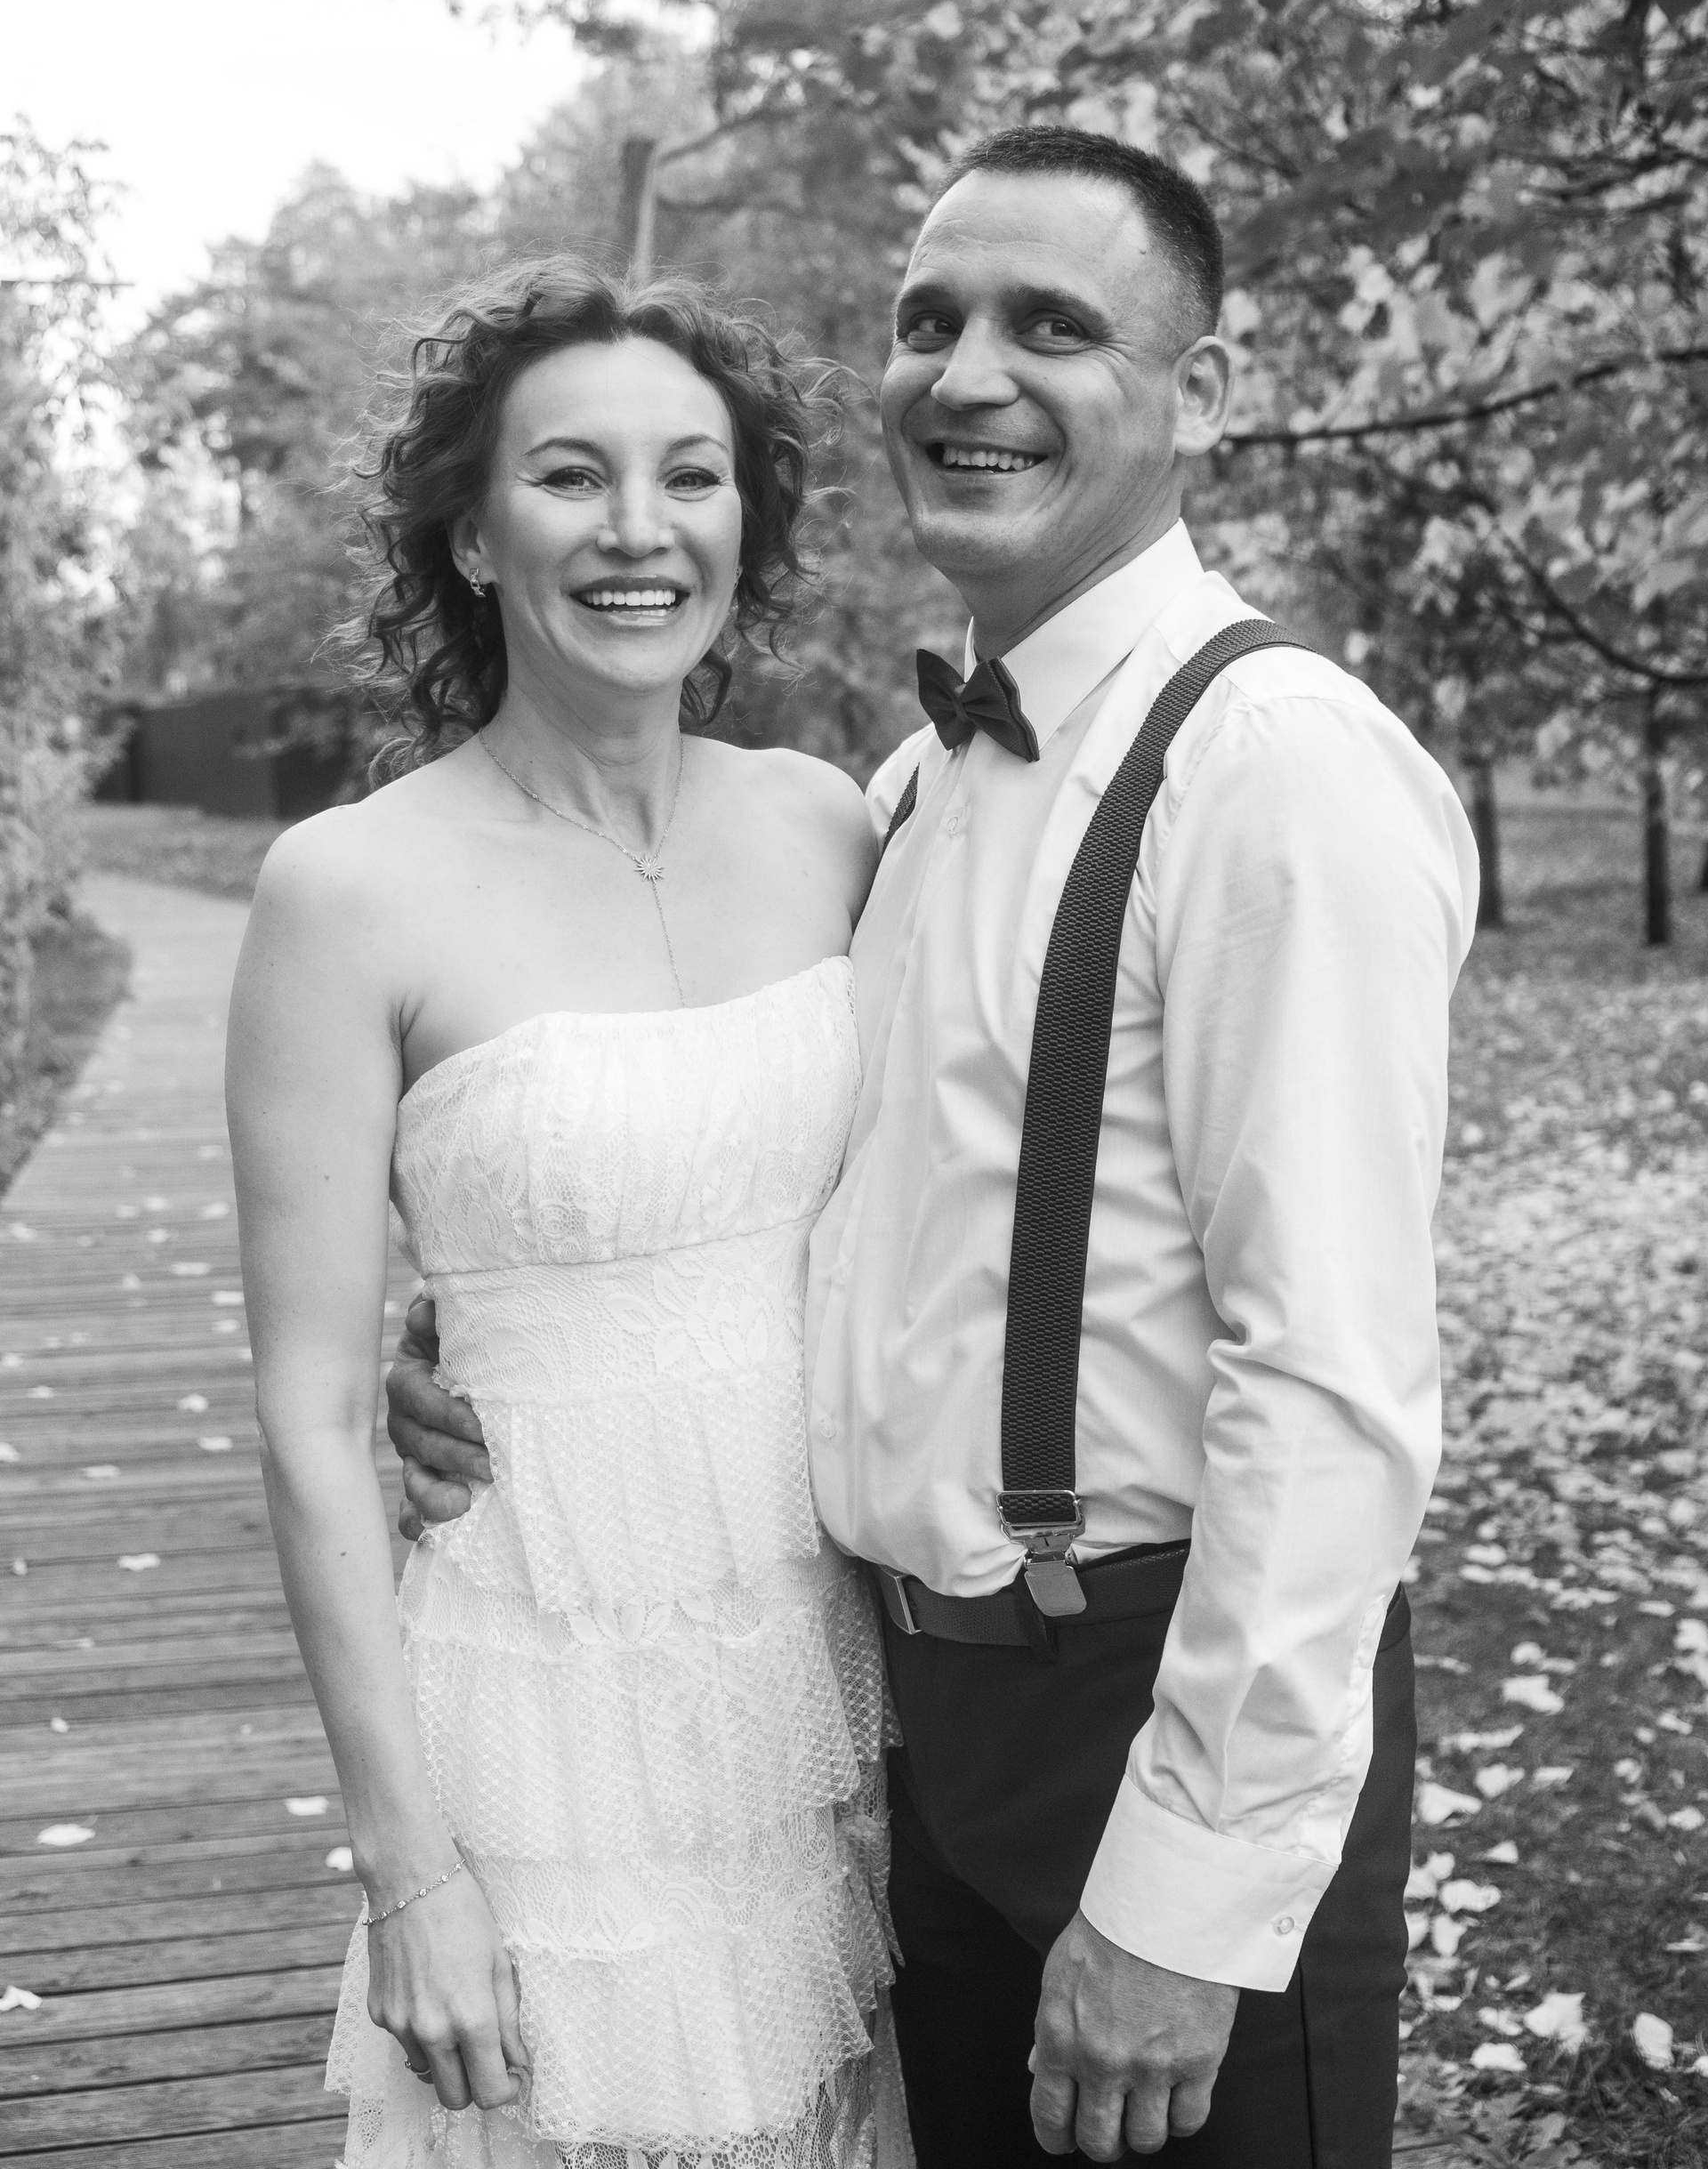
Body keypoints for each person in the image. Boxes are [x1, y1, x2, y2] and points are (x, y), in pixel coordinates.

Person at [390, 126, 1479, 2167]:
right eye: (930, 321)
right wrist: (490, 1347)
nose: (969, 375)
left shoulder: (1279, 771)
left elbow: (1334, 1384)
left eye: (1053, 326)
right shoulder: (902, 794)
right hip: (893, 1734)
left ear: (1203, 393)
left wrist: (1182, 1893)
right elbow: (800, 1189)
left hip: (1154, 1713)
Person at [225, 264, 911, 2169]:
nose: (636, 529)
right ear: (471, 532)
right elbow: (306, 1414)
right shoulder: (345, 892)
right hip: (542, 1706)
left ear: (746, 522)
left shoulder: (833, 827)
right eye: (570, 476)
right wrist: (410, 1870)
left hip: (835, 1686)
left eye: (689, 475)